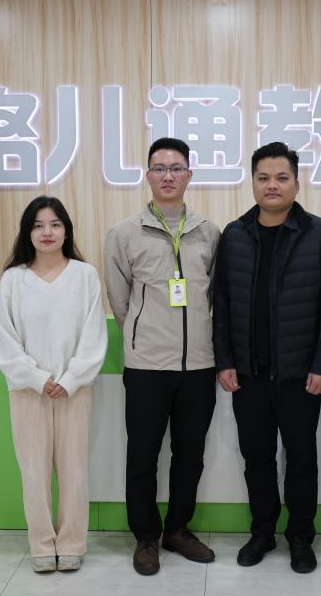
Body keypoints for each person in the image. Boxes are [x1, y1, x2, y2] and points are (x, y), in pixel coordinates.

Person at [212, 141, 321, 574]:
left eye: (282, 177)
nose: (272, 185)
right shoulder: (234, 235)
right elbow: (222, 304)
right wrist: (224, 360)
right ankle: (263, 532)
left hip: (300, 374)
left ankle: (300, 537)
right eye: (263, 178)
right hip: (248, 373)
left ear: (296, 183)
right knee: (257, 457)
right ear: (252, 183)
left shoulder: (319, 233)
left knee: (301, 459)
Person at [103, 137, 221, 576]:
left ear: (189, 175)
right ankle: (146, 537)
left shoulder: (209, 232)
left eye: (176, 168)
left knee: (190, 455)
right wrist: (141, 334)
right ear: (148, 175)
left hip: (198, 365)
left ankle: (177, 529)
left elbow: (216, 295)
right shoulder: (124, 233)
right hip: (147, 366)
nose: (167, 176)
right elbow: (120, 301)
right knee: (143, 456)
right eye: (159, 168)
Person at [0, 196, 108, 573]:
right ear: (27, 232)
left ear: (66, 231)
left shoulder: (85, 275)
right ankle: (42, 545)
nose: (47, 232)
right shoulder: (13, 278)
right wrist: (38, 378)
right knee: (34, 473)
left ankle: (72, 543)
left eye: (55, 224)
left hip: (75, 391)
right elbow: (5, 339)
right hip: (28, 392)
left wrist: (70, 378)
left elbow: (94, 334)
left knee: (74, 471)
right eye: (38, 225)